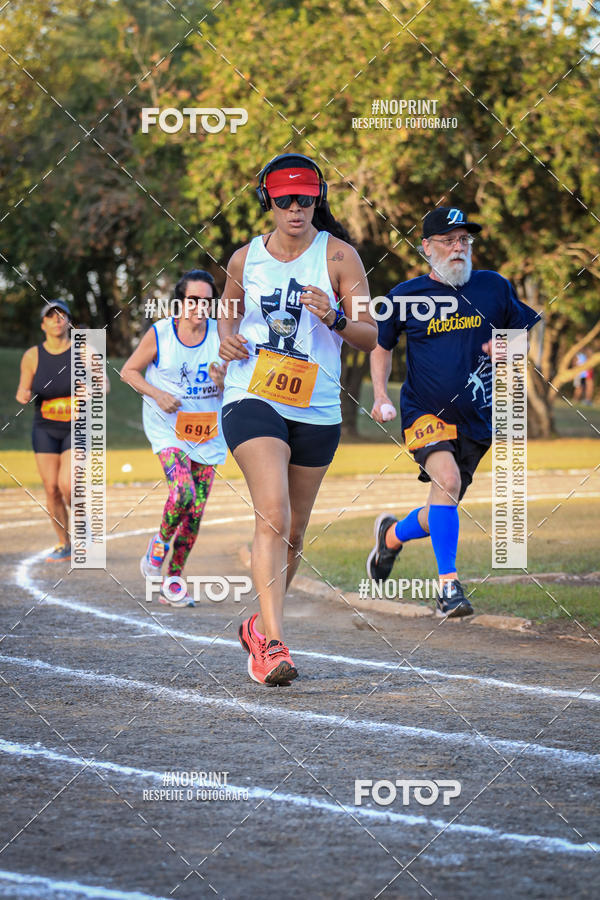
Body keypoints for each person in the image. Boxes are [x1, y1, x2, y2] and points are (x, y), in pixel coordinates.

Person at [219, 152, 376, 686]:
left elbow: (370, 335)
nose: (295, 209)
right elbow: (228, 310)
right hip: (252, 395)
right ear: (268, 201)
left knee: (295, 532)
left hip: (317, 406)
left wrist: (333, 315)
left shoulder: (339, 257)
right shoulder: (245, 259)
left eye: (305, 199)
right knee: (273, 514)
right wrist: (227, 339)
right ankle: (274, 647)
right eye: (285, 199)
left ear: (317, 200)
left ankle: (258, 628)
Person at [367, 207, 539, 616]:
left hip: (477, 418)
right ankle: (449, 588)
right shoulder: (405, 296)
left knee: (443, 503)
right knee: (446, 480)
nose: (459, 247)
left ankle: (391, 536)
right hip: (423, 411)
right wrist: (380, 395)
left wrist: (509, 348)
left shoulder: (493, 287)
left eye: (464, 240)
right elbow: (380, 345)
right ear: (427, 247)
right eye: (448, 240)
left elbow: (520, 336)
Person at [121, 269, 227, 607]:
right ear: (180, 303)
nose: (200, 307)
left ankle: (174, 580)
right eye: (193, 300)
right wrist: (158, 394)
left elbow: (236, 385)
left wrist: (223, 382)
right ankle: (158, 545)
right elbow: (128, 372)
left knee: (194, 513)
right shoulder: (161, 334)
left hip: (207, 430)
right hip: (168, 427)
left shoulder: (222, 335)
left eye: (207, 301)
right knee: (183, 492)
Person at [16, 300, 75, 561]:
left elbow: (104, 383)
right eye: (51, 316)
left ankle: (86, 529)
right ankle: (65, 543)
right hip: (45, 427)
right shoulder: (32, 356)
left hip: (76, 426)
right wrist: (23, 394)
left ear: (69, 322)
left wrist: (93, 388)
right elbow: (24, 388)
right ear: (43, 324)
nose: (57, 320)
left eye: (62, 315)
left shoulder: (83, 351)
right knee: (51, 488)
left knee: (68, 485)